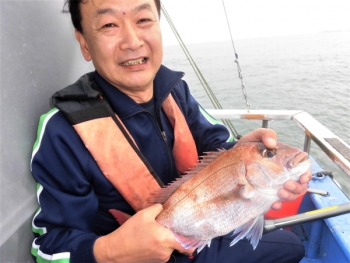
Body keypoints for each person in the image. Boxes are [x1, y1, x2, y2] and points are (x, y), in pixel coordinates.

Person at [30, 0, 311, 262]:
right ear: (84, 43)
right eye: (109, 25)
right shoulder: (62, 131)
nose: (132, 41)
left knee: (291, 246)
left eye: (143, 19)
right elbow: (48, 246)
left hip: (197, 228)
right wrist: (112, 249)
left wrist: (240, 153)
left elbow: (214, 143)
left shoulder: (174, 90)